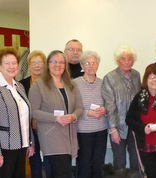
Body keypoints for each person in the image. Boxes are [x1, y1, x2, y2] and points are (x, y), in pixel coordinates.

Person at [29, 50, 84, 178]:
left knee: (64, 172)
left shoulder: (71, 84)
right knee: (59, 173)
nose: (57, 65)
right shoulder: (39, 84)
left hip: (69, 137)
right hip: (51, 137)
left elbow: (80, 108)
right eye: (53, 61)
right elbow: (33, 111)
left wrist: (73, 116)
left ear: (65, 65)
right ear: (48, 64)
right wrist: (56, 118)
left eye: (61, 62)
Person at [0, 48, 34, 178]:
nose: (11, 66)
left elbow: (26, 117)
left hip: (21, 145)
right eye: (7, 63)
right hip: (4, 148)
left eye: (14, 63)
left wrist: (30, 142)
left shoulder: (19, 86)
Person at [102, 45, 141, 170]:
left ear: (133, 61)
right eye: (123, 59)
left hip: (134, 125)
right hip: (118, 126)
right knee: (120, 161)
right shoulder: (110, 77)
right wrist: (113, 129)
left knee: (137, 160)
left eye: (129, 59)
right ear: (118, 61)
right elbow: (110, 105)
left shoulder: (136, 75)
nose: (126, 62)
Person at [73, 50, 109, 178]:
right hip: (82, 131)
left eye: (94, 63)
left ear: (97, 65)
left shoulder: (103, 83)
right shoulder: (74, 84)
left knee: (99, 163)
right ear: (82, 66)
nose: (91, 66)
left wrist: (105, 109)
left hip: (101, 130)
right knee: (84, 164)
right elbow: (71, 107)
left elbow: (109, 103)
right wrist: (89, 112)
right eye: (87, 63)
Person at [19, 50, 48, 178]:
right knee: (34, 161)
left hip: (47, 128)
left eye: (39, 62)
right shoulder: (21, 85)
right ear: (29, 65)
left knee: (49, 162)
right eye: (33, 62)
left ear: (44, 65)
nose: (36, 65)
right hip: (29, 129)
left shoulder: (51, 83)